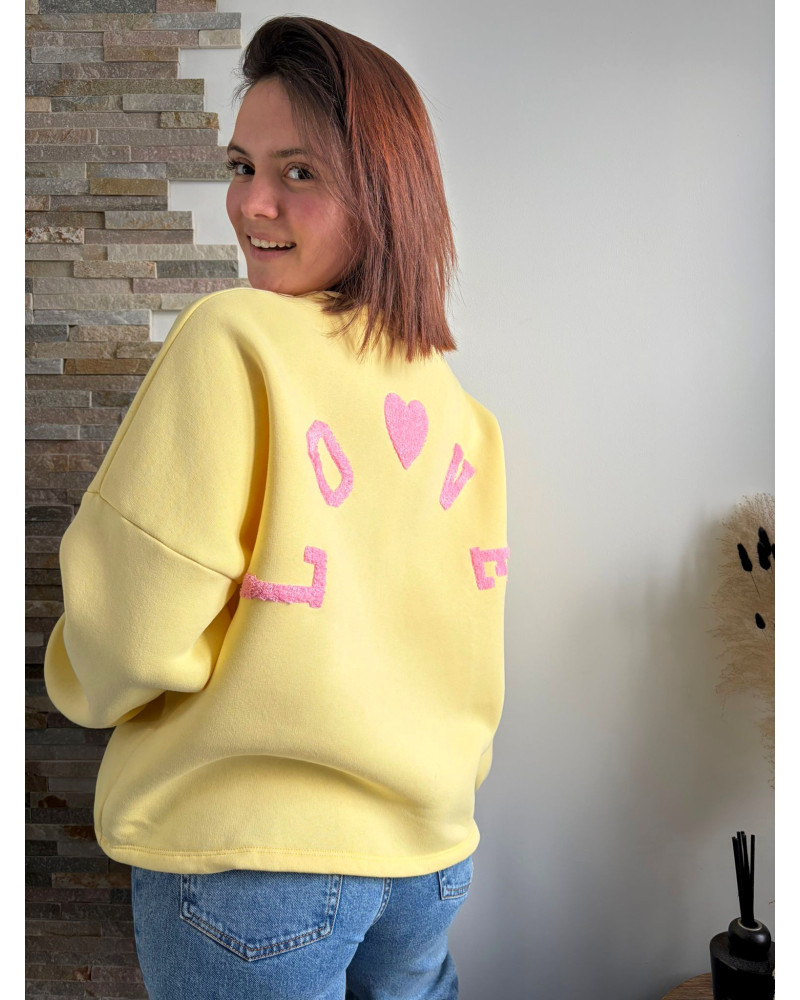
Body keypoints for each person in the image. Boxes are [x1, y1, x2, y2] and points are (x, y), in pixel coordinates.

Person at [43, 15, 510, 1000]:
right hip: (428, 862)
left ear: (384, 191)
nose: (252, 203)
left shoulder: (233, 338)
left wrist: (79, 679)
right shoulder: (457, 407)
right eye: (241, 165)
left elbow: (131, 627)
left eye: (299, 172)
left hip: (253, 862)